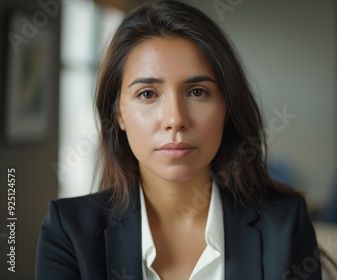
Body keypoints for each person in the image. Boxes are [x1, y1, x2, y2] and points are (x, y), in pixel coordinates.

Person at [36, 1, 322, 279]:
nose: (175, 119)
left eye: (197, 92)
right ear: (118, 114)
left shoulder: (285, 223)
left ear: (227, 108)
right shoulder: (68, 232)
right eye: (147, 94)